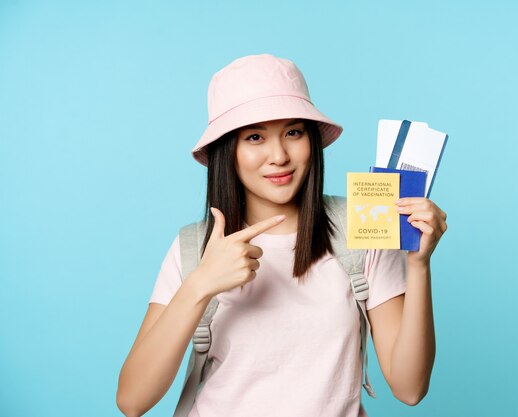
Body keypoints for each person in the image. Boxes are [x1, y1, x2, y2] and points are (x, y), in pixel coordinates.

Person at [116, 54, 447, 417]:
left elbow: (410, 387)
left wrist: (418, 265)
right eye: (255, 136)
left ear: (311, 140)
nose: (279, 156)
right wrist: (200, 285)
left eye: (293, 132)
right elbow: (133, 400)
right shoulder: (195, 248)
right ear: (229, 151)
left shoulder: (360, 228)